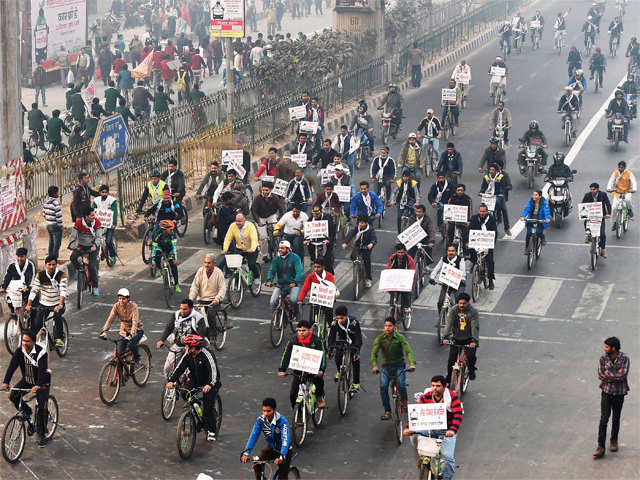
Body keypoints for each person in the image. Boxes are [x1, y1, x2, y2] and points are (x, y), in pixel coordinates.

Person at [403, 375, 464, 480]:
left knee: (448, 458)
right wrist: (408, 427)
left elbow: (458, 415)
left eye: (438, 386)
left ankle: (446, 478)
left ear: (444, 387)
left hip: (446, 431)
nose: (435, 388)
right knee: (414, 437)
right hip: (429, 428)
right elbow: (416, 414)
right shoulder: (426, 397)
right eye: (433, 385)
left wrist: (452, 430)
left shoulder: (452, 397)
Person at [167, 334, 221, 442]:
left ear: (194, 348)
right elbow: (179, 368)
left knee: (208, 408)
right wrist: (171, 380)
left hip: (210, 383)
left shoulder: (207, 354)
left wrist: (210, 384)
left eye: (187, 346)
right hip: (195, 380)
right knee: (184, 392)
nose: (185, 348)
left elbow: (213, 371)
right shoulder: (188, 355)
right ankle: (197, 407)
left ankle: (211, 430)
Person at [1, 331, 51, 447]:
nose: (24, 343)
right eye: (23, 340)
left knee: (41, 407)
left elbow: (43, 371)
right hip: (28, 380)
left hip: (42, 381)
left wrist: (37, 385)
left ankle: (41, 434)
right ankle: (27, 411)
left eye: (27, 341)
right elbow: (12, 367)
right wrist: (5, 382)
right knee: (13, 395)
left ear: (33, 342)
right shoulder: (20, 351)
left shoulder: (41, 352)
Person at [371, 317, 416, 420]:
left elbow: (408, 351)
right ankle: (387, 411)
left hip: (399, 366)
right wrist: (374, 365)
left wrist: (412, 364)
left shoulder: (400, 338)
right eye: (386, 326)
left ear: (394, 327)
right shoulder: (380, 338)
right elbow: (374, 353)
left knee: (401, 385)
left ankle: (405, 402)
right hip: (386, 367)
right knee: (383, 387)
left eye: (390, 326)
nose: (387, 328)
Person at [594, 336, 630, 458]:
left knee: (616, 418)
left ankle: (613, 440)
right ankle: (600, 446)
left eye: (607, 347)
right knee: (604, 419)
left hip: (619, 393)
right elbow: (600, 374)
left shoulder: (624, 359)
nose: (604, 349)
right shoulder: (603, 359)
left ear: (614, 348)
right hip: (606, 392)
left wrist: (608, 374)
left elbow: (622, 375)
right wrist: (615, 374)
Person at [241, 398, 293, 479]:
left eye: (268, 411)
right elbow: (254, 436)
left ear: (275, 410)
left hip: (285, 451)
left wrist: (282, 456)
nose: (265, 414)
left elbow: (285, 440)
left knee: (282, 476)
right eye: (264, 411)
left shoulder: (283, 422)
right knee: (257, 464)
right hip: (271, 448)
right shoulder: (260, 420)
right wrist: (246, 453)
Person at [279, 320, 326, 408]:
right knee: (293, 392)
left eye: (303, 331)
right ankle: (297, 410)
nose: (301, 333)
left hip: (313, 369)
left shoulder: (317, 341)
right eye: (299, 331)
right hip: (299, 369)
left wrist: (321, 370)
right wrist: (282, 370)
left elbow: (322, 356)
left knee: (319, 381)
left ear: (309, 330)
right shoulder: (293, 341)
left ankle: (319, 397)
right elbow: (286, 355)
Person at [157, 299, 209, 378]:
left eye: (185, 309)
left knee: (189, 374)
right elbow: (169, 327)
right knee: (167, 369)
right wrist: (162, 340)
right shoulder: (176, 315)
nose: (182, 311)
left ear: (191, 309)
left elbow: (201, 336)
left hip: (191, 349)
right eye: (181, 308)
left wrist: (193, 349)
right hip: (177, 345)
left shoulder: (198, 318)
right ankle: (171, 387)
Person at [145, 190, 182, 292]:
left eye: (168, 198)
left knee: (173, 265)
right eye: (165, 198)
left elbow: (180, 213)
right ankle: (159, 269)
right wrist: (153, 260)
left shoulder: (175, 204)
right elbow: (149, 209)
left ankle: (177, 284)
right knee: (156, 254)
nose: (166, 200)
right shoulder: (158, 203)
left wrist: (175, 257)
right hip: (160, 224)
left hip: (170, 224)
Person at [26, 256, 67, 345]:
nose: (51, 267)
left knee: (57, 318)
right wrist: (29, 304)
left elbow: (63, 291)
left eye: (54, 264)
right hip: (44, 303)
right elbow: (34, 290)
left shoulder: (62, 275)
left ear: (56, 265)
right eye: (49, 265)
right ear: (45, 265)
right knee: (37, 323)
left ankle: (59, 338)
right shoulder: (40, 275)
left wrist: (60, 305)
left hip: (57, 303)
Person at [100, 288, 144, 365]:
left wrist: (131, 334)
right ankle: (120, 376)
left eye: (123, 299)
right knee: (119, 356)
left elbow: (135, 322)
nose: (121, 301)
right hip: (124, 331)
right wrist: (104, 331)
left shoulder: (133, 306)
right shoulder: (116, 306)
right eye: (119, 299)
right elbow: (110, 319)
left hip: (137, 330)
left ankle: (137, 358)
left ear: (128, 299)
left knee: (131, 345)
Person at [189, 254, 227, 336]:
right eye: (205, 262)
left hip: (214, 301)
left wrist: (217, 299)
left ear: (214, 263)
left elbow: (222, 288)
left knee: (210, 314)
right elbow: (195, 286)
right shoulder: (200, 271)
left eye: (209, 263)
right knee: (195, 318)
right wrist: (191, 298)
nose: (206, 265)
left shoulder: (218, 273)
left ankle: (213, 334)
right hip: (201, 300)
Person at [327, 305, 362, 391]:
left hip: (354, 341)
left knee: (355, 360)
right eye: (338, 318)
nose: (340, 320)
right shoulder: (334, 323)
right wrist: (330, 350)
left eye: (342, 318)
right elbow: (331, 337)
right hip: (342, 340)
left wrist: (357, 351)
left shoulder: (354, 322)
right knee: (338, 356)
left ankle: (356, 384)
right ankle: (339, 371)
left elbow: (358, 337)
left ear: (347, 316)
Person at [69, 208, 103, 296]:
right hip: (81, 246)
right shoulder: (79, 223)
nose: (93, 217)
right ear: (86, 217)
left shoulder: (97, 223)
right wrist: (72, 244)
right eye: (91, 215)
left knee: (92, 267)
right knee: (72, 257)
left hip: (93, 247)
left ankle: (95, 286)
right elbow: (73, 236)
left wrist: (95, 246)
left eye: (94, 215)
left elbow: (99, 237)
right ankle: (80, 269)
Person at [220, 213, 260, 281]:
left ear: (244, 220)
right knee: (235, 266)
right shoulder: (232, 226)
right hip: (239, 249)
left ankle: (257, 277)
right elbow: (228, 238)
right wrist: (225, 249)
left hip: (250, 249)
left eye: (240, 221)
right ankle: (237, 282)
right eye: (236, 221)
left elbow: (254, 239)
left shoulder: (250, 226)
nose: (238, 223)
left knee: (251, 265)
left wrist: (252, 248)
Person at [430, 244, 466, 313]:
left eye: (453, 251)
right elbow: (436, 269)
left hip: (458, 284)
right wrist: (432, 277)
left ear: (456, 252)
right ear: (447, 251)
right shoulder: (443, 259)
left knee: (459, 302)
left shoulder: (460, 260)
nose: (451, 253)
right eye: (449, 251)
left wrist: (462, 279)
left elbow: (463, 272)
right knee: (441, 302)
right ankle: (442, 318)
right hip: (446, 284)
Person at [298, 257, 336, 323]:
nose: (316, 269)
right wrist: (300, 300)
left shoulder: (329, 276)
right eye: (315, 267)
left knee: (329, 313)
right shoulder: (311, 277)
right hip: (316, 299)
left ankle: (330, 327)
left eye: (318, 267)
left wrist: (333, 298)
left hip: (326, 300)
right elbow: (304, 289)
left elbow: (332, 289)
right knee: (313, 316)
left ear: (323, 267)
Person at [342, 216, 376, 288]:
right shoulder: (357, 228)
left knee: (367, 261)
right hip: (357, 246)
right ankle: (357, 268)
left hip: (366, 247)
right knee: (352, 256)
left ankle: (368, 278)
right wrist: (346, 242)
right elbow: (351, 235)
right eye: (359, 223)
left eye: (362, 223)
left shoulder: (370, 229)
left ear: (366, 223)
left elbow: (374, 239)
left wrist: (371, 244)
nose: (361, 224)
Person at [252, 183, 285, 260]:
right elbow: (254, 211)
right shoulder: (257, 198)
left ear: (270, 190)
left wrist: (281, 219)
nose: (264, 192)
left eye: (266, 190)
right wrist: (258, 221)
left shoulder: (275, 198)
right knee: (263, 237)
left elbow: (281, 209)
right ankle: (264, 254)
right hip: (261, 217)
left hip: (271, 216)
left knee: (276, 233)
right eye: (263, 190)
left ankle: (279, 250)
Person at [468, 205, 497, 289]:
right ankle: (474, 264)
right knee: (472, 252)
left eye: (484, 211)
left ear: (487, 211)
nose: (482, 213)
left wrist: (492, 242)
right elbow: (469, 230)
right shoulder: (474, 218)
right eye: (480, 211)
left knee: (490, 261)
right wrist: (467, 241)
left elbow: (494, 231)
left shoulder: (491, 219)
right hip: (476, 241)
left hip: (487, 243)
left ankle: (491, 280)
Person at [582, 182, 611, 257]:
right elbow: (582, 205)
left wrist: (608, 214)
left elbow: (607, 204)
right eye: (591, 189)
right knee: (586, 223)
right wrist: (582, 214)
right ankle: (588, 235)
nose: (592, 191)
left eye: (593, 189)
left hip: (601, 216)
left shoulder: (603, 194)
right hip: (590, 216)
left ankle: (603, 250)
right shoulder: (587, 195)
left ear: (597, 189)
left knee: (602, 234)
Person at [480, 163, 509, 235]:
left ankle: (499, 216)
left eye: (493, 170)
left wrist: (501, 193)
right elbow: (483, 186)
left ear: (496, 171)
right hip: (487, 195)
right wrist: (481, 192)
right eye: (490, 170)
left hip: (497, 195)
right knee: (482, 207)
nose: (491, 171)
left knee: (500, 205)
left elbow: (502, 186)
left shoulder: (501, 176)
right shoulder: (486, 177)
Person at [92, 185, 118, 265]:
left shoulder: (112, 201)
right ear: (99, 193)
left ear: (108, 193)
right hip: (99, 223)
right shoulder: (96, 200)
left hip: (109, 224)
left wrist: (114, 223)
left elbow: (115, 213)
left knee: (108, 241)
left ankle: (113, 255)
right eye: (102, 192)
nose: (104, 194)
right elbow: (92, 210)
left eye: (106, 192)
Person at [386, 243, 416, 312]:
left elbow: (413, 272)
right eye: (398, 252)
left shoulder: (409, 259)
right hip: (395, 279)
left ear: (405, 252)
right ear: (396, 252)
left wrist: (411, 284)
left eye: (402, 252)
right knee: (393, 293)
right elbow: (388, 268)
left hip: (405, 280)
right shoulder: (392, 258)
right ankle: (392, 305)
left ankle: (406, 306)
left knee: (406, 293)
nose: (400, 254)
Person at [304, 208, 336, 272]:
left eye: (317, 214)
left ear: (321, 212)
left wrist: (329, 240)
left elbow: (332, 231)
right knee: (310, 249)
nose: (315, 215)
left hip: (325, 240)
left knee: (327, 259)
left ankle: (330, 275)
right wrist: (305, 239)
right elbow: (307, 230)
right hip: (315, 240)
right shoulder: (310, 219)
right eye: (314, 214)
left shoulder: (327, 218)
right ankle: (313, 260)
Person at [607, 160, 636, 227]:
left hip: (627, 191)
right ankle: (614, 223)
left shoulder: (629, 173)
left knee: (628, 200)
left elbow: (633, 181)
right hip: (618, 192)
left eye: (622, 167)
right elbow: (611, 181)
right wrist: (609, 188)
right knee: (614, 208)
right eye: (619, 167)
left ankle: (629, 210)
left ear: (624, 168)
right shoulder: (615, 173)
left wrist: (634, 189)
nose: (620, 169)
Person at [428, 173, 454, 237]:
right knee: (440, 210)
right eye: (439, 178)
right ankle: (439, 226)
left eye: (442, 178)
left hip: (449, 202)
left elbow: (453, 194)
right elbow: (430, 196)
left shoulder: (450, 185)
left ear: (445, 178)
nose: (441, 179)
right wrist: (432, 202)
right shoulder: (434, 186)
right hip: (439, 203)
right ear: (437, 179)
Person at [43, 186, 64, 258]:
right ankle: (54, 259)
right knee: (57, 244)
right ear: (55, 194)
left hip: (49, 225)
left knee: (51, 242)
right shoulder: (56, 203)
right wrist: (61, 226)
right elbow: (58, 216)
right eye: (57, 192)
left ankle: (50, 257)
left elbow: (44, 214)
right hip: (56, 226)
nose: (58, 194)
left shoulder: (45, 202)